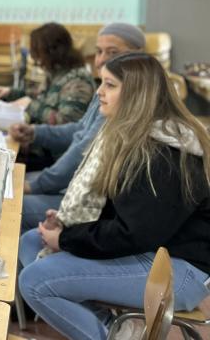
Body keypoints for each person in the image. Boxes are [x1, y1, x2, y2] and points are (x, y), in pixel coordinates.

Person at [17, 52, 210, 340]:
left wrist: (68, 239)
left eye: (109, 85)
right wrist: (68, 227)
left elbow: (134, 233)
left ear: (135, 94)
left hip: (175, 272)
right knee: (32, 240)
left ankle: (110, 335)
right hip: (149, 252)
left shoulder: (163, 153)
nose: (99, 92)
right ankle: (115, 327)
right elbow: (121, 214)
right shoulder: (133, 137)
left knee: (34, 280)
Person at [13, 23, 146, 231]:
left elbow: (83, 148)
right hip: (74, 185)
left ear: (139, 55)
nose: (101, 59)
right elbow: (79, 130)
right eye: (99, 51)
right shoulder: (107, 88)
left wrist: (37, 185)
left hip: (92, 203)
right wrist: (35, 133)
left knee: (9, 204)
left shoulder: (125, 98)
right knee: (11, 184)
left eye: (113, 52)